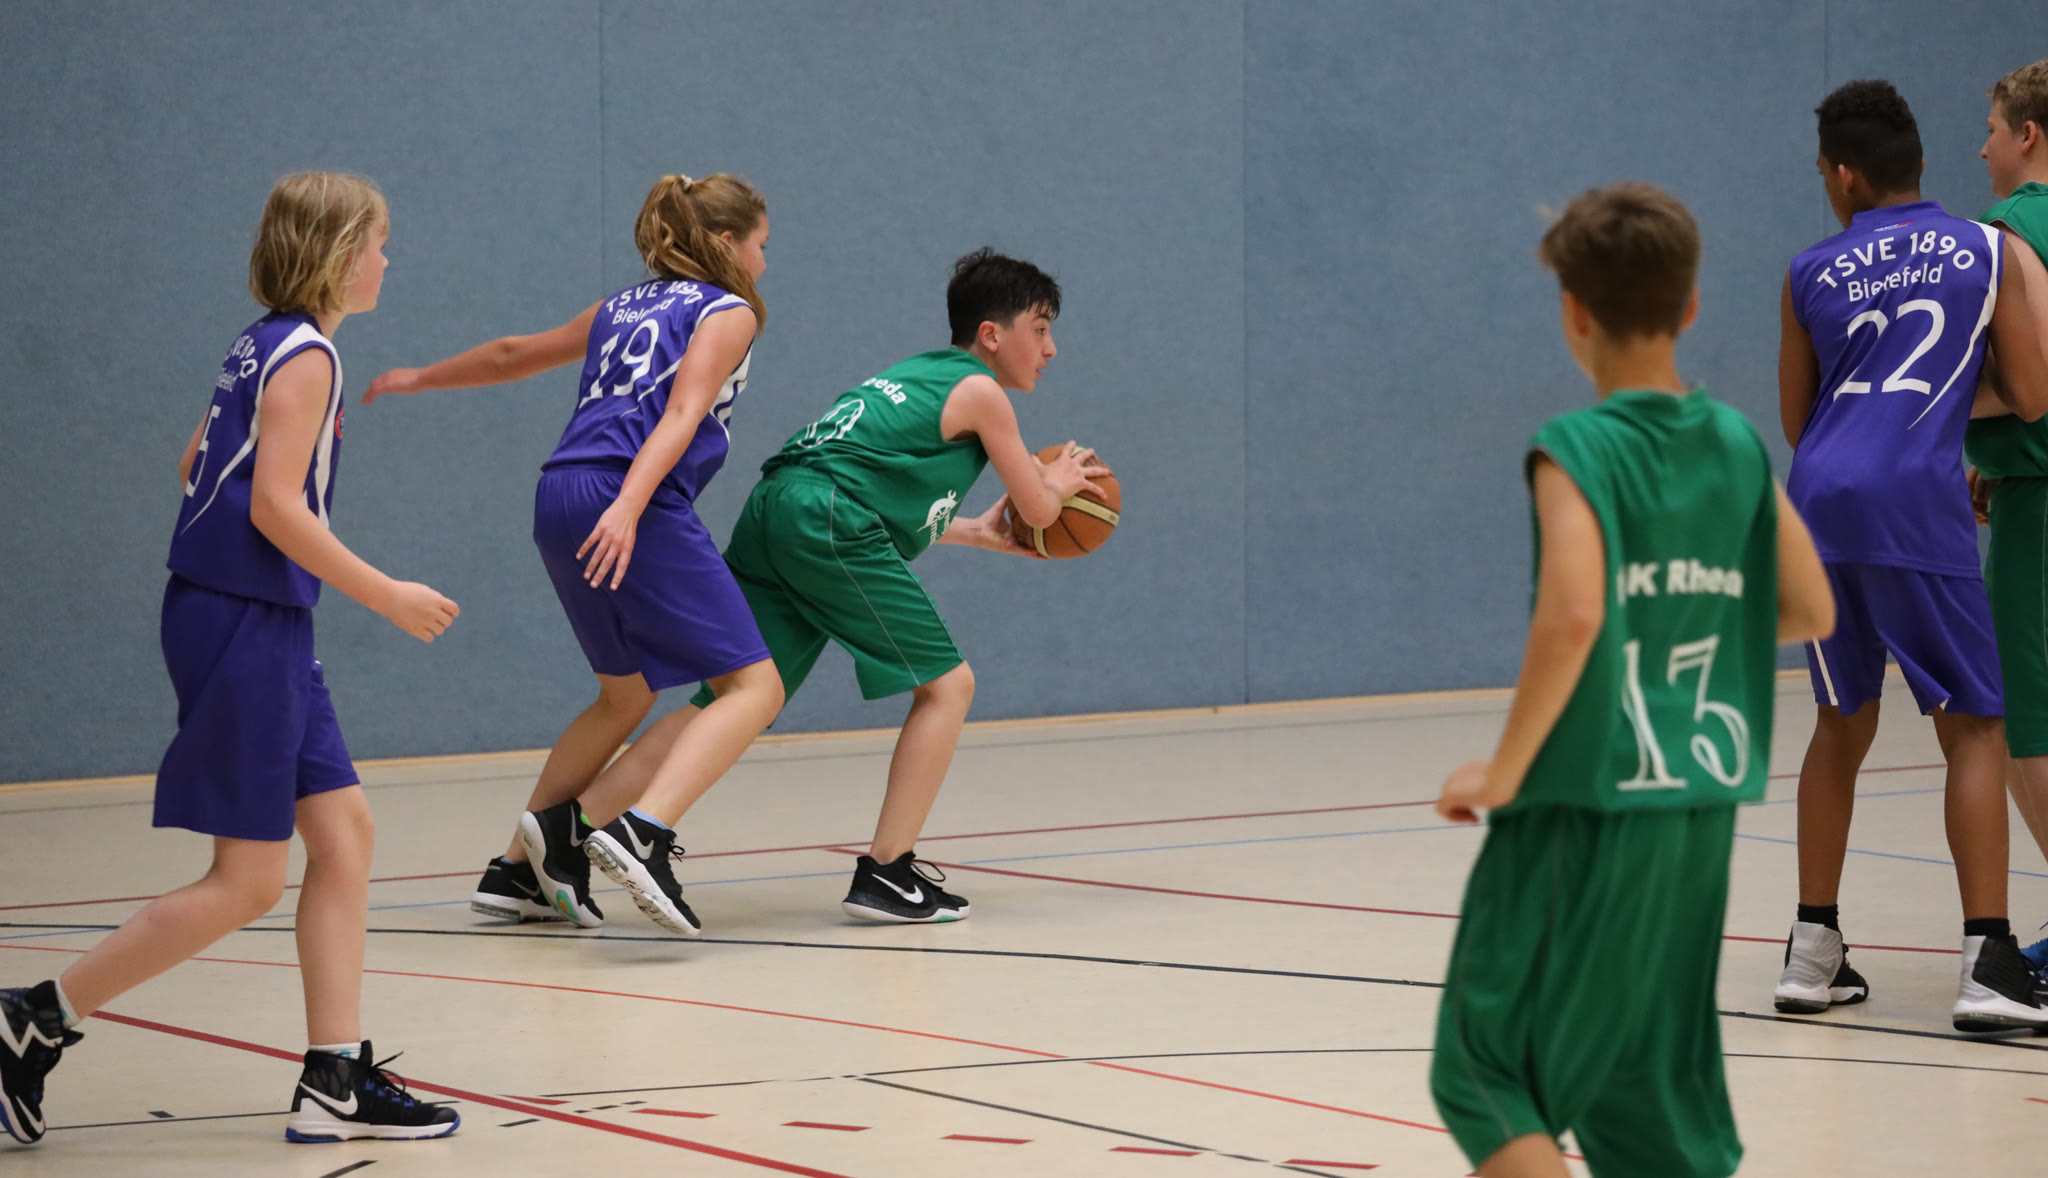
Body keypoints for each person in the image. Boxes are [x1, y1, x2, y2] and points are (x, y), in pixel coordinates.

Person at [0, 171, 462, 1146]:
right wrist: (385, 593)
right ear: (340, 254)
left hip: (249, 618)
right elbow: (273, 506)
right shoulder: (310, 356)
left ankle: (335, 1075)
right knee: (247, 880)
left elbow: (194, 465)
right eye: (379, 243)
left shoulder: (261, 342)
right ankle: (33, 1018)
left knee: (344, 834)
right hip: (243, 623)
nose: (388, 260)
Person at [1430, 181, 1834, 1178]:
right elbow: (1810, 608)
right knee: (1645, 1099)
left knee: (1485, 1073)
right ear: (1688, 306)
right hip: (1696, 813)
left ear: (1572, 312)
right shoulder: (1734, 442)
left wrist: (1503, 771)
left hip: (1586, 807)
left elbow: (1574, 613)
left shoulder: (1578, 447)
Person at [565, 248, 1108, 925]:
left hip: (781, 510)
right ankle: (885, 872)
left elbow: (861, 483)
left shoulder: (913, 374)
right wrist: (1056, 483)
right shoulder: (981, 391)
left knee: (727, 697)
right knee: (948, 686)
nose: (1051, 348)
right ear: (992, 334)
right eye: (1041, 328)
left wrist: (973, 531)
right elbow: (1041, 512)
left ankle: (566, 832)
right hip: (826, 521)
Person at [364, 174, 781, 937]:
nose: (763, 260)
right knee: (753, 686)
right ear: (726, 242)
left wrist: (421, 377)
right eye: (760, 244)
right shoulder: (728, 311)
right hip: (629, 497)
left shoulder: (618, 307)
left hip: (559, 492)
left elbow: (511, 355)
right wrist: (628, 506)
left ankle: (517, 872)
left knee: (624, 697)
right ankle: (644, 833)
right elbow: (683, 412)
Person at [1773, 80, 2048, 1030]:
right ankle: (1988, 963)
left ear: (1844, 175)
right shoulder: (1986, 248)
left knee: (1838, 722)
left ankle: (1811, 953)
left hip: (1820, 505)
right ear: (1921, 162)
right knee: (1973, 727)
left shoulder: (1808, 270)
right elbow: (2032, 391)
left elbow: (1799, 419)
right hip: (1915, 503)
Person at [1962, 59, 2048, 973]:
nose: (1982, 147)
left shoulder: (2012, 230)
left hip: (2042, 504)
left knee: (2028, 718)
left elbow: (2034, 380)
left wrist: (1931, 406)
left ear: (2027, 133)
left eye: (1991, 128)